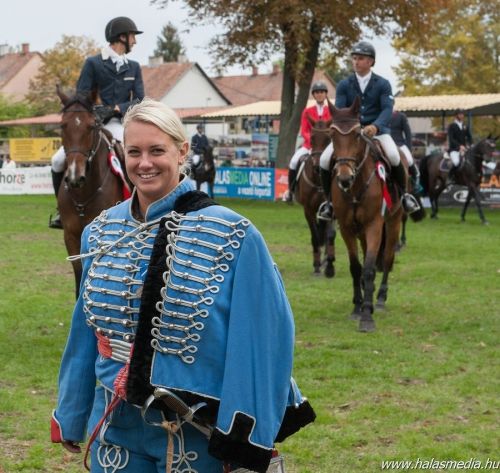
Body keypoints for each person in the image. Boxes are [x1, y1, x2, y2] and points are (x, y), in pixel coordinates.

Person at [51, 98, 315, 473]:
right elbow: (85, 331)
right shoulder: (99, 232)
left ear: (182, 151)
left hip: (196, 428)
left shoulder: (234, 234)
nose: (145, 163)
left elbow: (262, 339)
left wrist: (243, 435)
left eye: (157, 150)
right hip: (114, 422)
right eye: (134, 152)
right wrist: (71, 411)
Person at [49, 16, 145, 229]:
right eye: (132, 36)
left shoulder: (134, 67)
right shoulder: (93, 63)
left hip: (116, 124)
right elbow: (82, 94)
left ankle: (138, 207)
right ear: (122, 37)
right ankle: (61, 210)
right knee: (57, 160)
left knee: (128, 158)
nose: (135, 41)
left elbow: (139, 99)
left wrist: (117, 108)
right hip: (91, 124)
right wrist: (93, 110)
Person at [318, 41, 420, 219]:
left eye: (360, 58)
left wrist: (376, 126)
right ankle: (329, 203)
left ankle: (405, 196)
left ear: (370, 61)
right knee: (324, 159)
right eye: (354, 58)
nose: (356, 62)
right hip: (351, 134)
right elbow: (341, 111)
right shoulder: (344, 85)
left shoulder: (383, 84)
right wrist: (354, 127)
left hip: (378, 132)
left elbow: (387, 109)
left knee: (394, 155)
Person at [285, 80, 332, 202]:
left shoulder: (331, 111)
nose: (319, 94)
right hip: (309, 145)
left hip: (327, 146)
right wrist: (311, 143)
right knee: (293, 162)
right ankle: (290, 191)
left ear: (325, 94)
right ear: (314, 95)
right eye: (317, 92)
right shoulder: (307, 111)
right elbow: (304, 131)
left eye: (322, 92)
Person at [390, 109, 422, 193]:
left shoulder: (401, 116)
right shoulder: (381, 115)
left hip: (400, 144)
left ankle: (415, 182)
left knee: (410, 160)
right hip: (387, 143)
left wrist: (409, 148)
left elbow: (408, 133)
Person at [447, 109, 472, 180]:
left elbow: (469, 137)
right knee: (456, 162)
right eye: (460, 114)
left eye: (462, 114)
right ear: (456, 116)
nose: (462, 116)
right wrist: (459, 146)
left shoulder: (465, 126)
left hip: (464, 149)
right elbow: (451, 139)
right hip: (454, 149)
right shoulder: (452, 126)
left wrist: (469, 145)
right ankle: (450, 177)